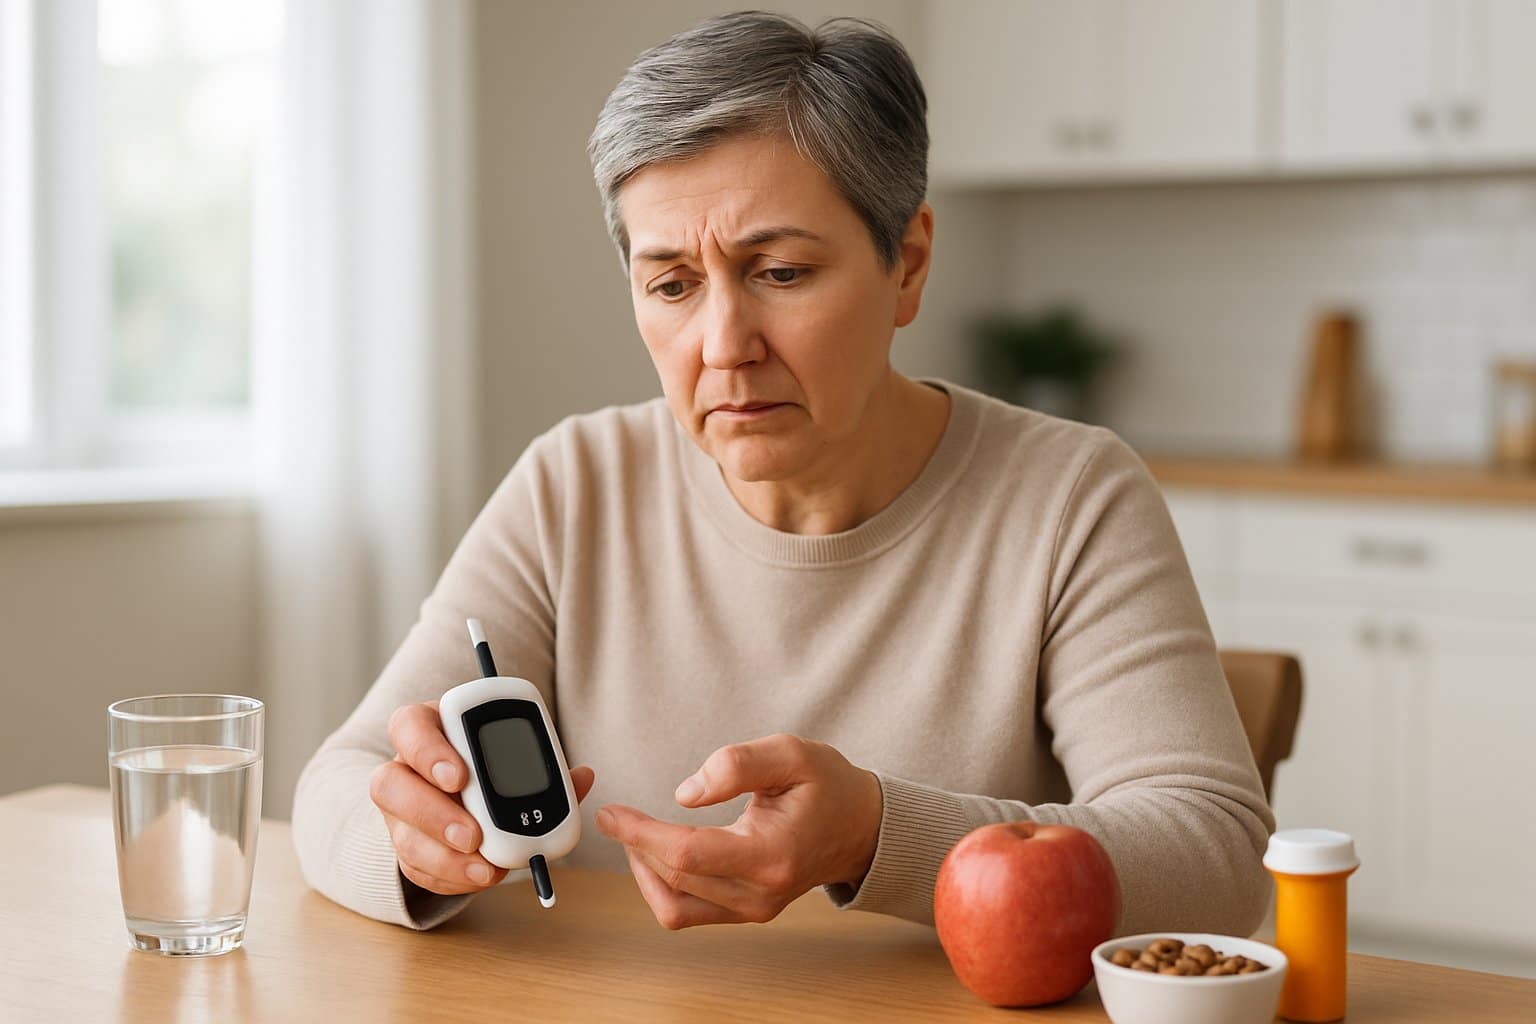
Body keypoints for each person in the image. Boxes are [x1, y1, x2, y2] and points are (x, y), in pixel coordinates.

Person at [292, 10, 1275, 934]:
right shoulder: (574, 483)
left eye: (781, 272)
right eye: (672, 284)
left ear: (910, 263)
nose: (724, 344)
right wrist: (423, 843)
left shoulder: (1070, 496)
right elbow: (339, 783)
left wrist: (875, 832)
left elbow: (1216, 856)